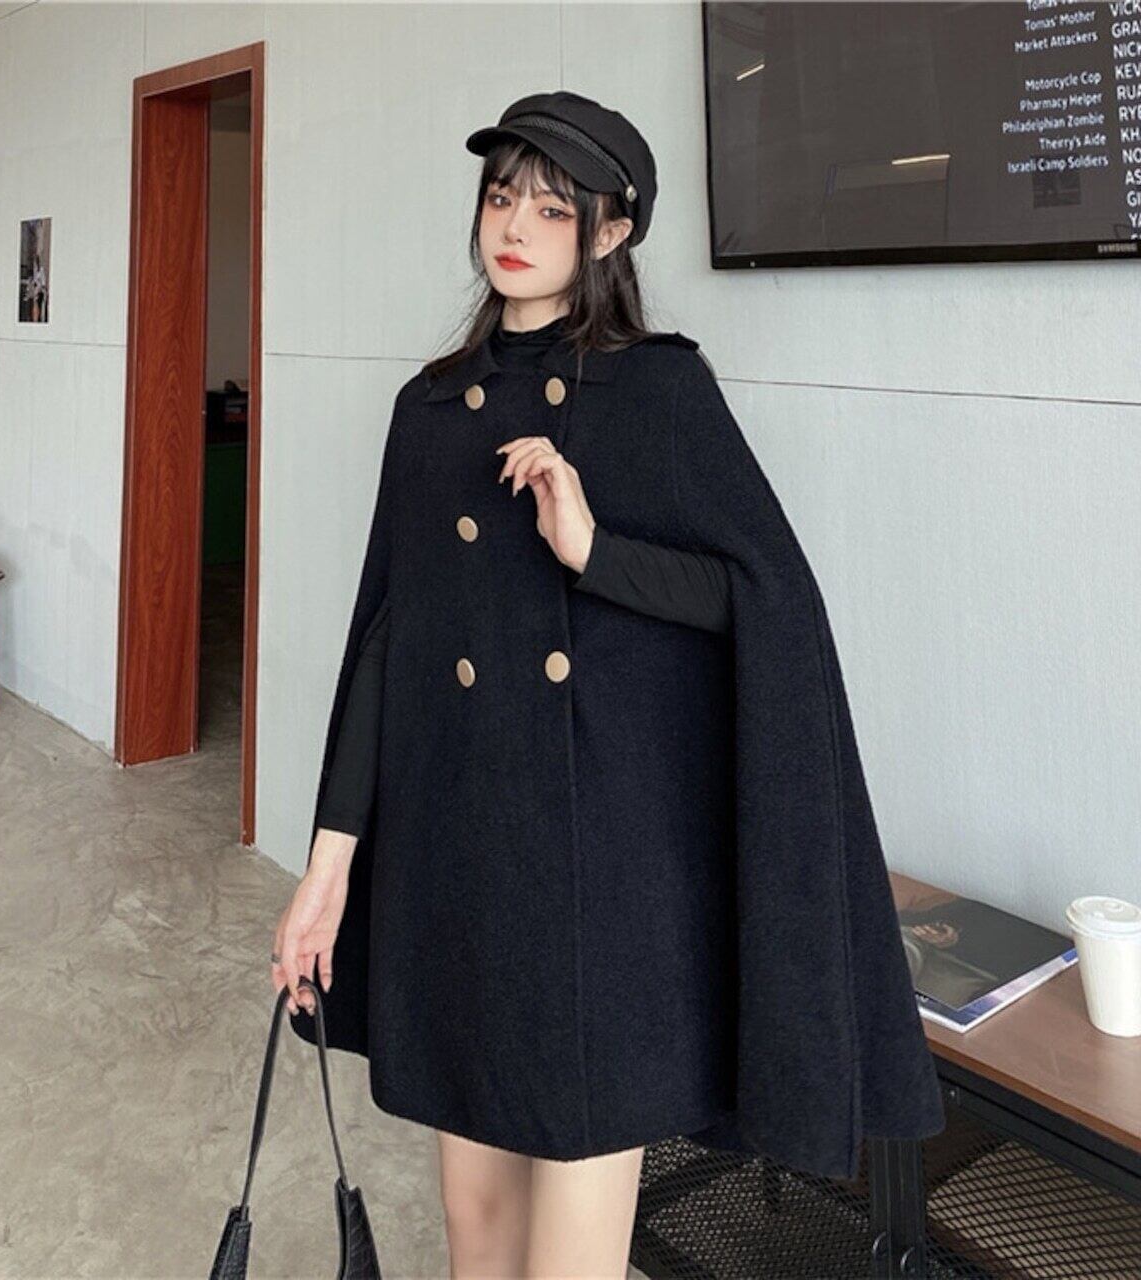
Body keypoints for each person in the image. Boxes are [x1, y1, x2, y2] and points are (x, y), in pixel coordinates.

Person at [272, 90, 944, 1278]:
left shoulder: (657, 391)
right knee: (476, 1231)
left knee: (570, 1260)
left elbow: (764, 602)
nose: (512, 226)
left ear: (611, 231)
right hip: (457, 859)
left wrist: (592, 551)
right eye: (500, 196)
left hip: (602, 889)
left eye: (549, 207)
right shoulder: (426, 410)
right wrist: (327, 868)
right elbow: (385, 641)